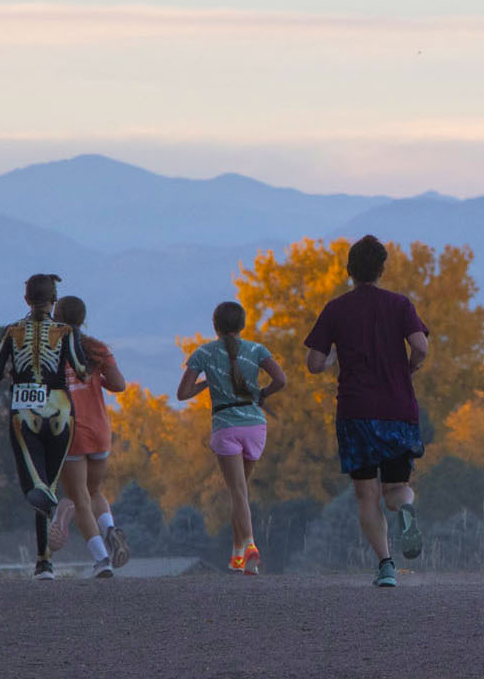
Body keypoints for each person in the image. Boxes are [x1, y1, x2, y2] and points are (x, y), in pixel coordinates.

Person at [304, 235, 430, 589]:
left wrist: (331, 358)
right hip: (398, 410)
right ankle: (405, 509)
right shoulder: (400, 304)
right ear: (381, 269)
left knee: (366, 494)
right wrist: (410, 366)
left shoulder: (336, 309)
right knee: (396, 486)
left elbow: (313, 363)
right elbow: (421, 345)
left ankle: (386, 565)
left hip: (356, 412)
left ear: (349, 270)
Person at [0, 272, 92, 580]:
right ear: (54, 301)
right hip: (60, 409)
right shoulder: (66, 331)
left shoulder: (12, 331)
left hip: (24, 411)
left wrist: (12, 371)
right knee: (49, 484)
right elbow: (83, 371)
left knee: (38, 486)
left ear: (26, 299)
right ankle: (47, 555)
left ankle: (43, 561)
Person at [179, 300, 288, 574]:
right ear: (242, 325)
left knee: (237, 492)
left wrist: (208, 383)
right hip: (255, 426)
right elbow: (281, 380)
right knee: (239, 492)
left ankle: (250, 546)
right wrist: (263, 394)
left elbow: (182, 394)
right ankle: (238, 556)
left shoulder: (203, 353)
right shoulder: (257, 350)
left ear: (215, 326)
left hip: (226, 426)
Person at [56, 295, 131, 576]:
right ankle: (110, 529)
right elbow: (120, 384)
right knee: (94, 491)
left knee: (79, 500)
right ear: (83, 319)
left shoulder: (53, 351)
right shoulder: (96, 348)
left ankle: (102, 560)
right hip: (99, 430)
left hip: (69, 432)